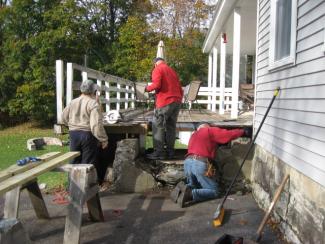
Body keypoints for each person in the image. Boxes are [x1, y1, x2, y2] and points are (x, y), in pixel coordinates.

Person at [173, 123, 251, 208]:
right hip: (199, 163)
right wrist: (243, 131)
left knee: (195, 185)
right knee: (215, 191)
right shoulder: (209, 130)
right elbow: (227, 134)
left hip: (187, 163)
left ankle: (182, 189)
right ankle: (191, 194)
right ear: (207, 126)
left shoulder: (194, 135)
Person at [62, 79, 108, 165]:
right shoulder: (93, 104)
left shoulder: (73, 102)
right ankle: (85, 179)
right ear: (93, 91)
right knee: (86, 165)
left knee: (73, 161)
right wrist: (104, 139)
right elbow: (95, 125)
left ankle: (72, 179)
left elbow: (63, 117)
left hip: (73, 134)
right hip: (87, 135)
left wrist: (71, 126)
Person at [145, 57, 183, 160]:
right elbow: (180, 88)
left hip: (165, 101)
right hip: (177, 101)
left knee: (157, 125)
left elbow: (157, 84)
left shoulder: (157, 69)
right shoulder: (172, 70)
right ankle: (170, 152)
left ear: (155, 64)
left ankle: (159, 153)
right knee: (171, 127)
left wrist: (147, 88)